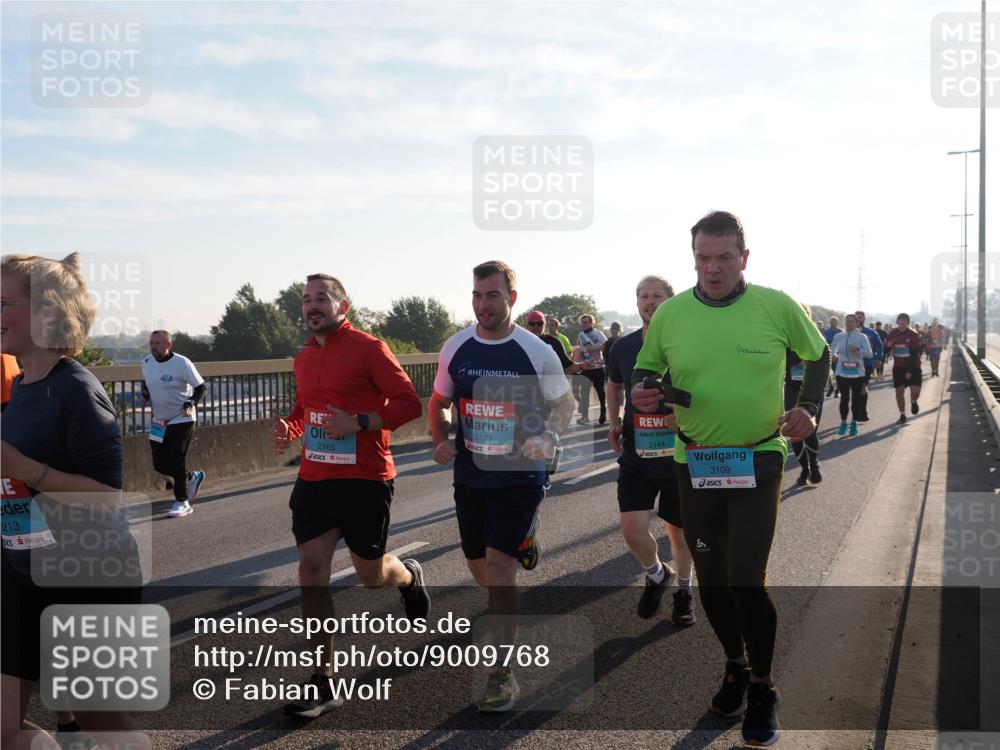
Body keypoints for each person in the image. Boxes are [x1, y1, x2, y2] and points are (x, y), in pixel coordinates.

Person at [631, 211, 829, 747]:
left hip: (758, 456)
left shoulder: (776, 305)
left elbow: (819, 356)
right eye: (702, 258)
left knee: (746, 578)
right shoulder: (671, 314)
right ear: (692, 258)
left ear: (745, 257)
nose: (712, 268)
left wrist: (809, 405)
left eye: (723, 257)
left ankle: (764, 687)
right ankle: (736, 666)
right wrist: (644, 390)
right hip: (693, 460)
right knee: (713, 579)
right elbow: (645, 370)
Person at [2, 253, 145, 750]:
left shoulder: (76, 390)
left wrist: (23, 469)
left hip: (88, 572)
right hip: (23, 572)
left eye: (2, 303)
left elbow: (107, 496)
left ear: (47, 314)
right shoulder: (19, 388)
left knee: (95, 714)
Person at [269, 273, 428, 719]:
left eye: (323, 298)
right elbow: (307, 408)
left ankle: (409, 576)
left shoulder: (369, 348)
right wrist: (291, 428)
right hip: (316, 479)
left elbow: (409, 402)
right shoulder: (303, 356)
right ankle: (323, 679)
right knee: (310, 570)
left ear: (345, 306)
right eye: (307, 300)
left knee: (370, 576)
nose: (313, 306)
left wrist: (359, 422)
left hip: (365, 479)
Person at [429, 261, 574, 712]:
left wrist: (548, 437)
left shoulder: (536, 351)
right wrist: (439, 437)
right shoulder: (456, 347)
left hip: (519, 475)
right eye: (476, 295)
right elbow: (439, 402)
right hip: (472, 473)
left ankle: (501, 672)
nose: (483, 304)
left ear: (512, 297)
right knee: (478, 568)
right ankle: (522, 541)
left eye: (492, 295)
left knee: (498, 567)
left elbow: (564, 406)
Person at [606, 275, 695, 624]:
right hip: (637, 456)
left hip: (679, 455)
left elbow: (706, 393)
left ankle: (684, 592)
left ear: (670, 301)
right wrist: (614, 421)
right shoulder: (623, 347)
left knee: (680, 533)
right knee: (633, 530)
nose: (650, 301)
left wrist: (682, 414)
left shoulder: (688, 344)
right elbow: (613, 385)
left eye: (657, 295)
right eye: (643, 296)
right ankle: (658, 574)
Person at [140, 330, 206, 518]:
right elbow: (147, 384)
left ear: (169, 345)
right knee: (159, 464)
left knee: (176, 459)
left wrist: (190, 403)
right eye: (151, 343)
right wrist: (145, 394)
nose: (153, 346)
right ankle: (192, 477)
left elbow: (201, 387)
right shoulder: (146, 363)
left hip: (181, 418)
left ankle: (182, 501)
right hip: (159, 421)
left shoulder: (181, 363)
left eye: (158, 343)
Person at [787, 304, 826, 482]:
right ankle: (804, 469)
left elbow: (822, 362)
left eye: (804, 313)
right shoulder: (785, 337)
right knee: (794, 431)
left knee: (809, 431)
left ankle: (814, 466)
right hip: (792, 388)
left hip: (811, 391)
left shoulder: (815, 338)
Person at [830, 314, 873, 437]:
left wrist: (858, 350)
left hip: (857, 373)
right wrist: (833, 355)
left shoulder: (861, 337)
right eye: (847, 321)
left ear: (856, 323)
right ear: (844, 323)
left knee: (855, 398)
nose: (849, 323)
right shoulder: (838, 336)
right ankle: (843, 423)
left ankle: (853, 423)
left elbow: (869, 354)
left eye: (852, 321)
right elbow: (833, 348)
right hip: (841, 371)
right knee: (844, 397)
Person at [884, 313, 923, 424]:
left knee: (915, 391)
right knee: (899, 391)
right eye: (900, 320)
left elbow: (915, 353)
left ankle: (914, 401)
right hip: (898, 367)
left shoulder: (913, 334)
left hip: (913, 366)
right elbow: (886, 351)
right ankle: (902, 415)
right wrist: (888, 346)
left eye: (904, 320)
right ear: (897, 322)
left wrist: (909, 371)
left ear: (908, 322)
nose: (902, 322)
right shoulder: (892, 333)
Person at [576, 314, 608, 425]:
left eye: (586, 322)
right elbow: (583, 348)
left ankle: (603, 413)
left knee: (600, 393)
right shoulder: (581, 335)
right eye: (582, 323)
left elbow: (606, 345)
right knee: (584, 393)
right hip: (586, 368)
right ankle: (585, 417)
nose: (584, 325)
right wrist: (579, 359)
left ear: (591, 323)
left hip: (598, 367)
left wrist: (593, 347)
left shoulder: (598, 333)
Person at [852, 311, 883, 422]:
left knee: (862, 386)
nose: (859, 319)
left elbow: (879, 346)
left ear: (864, 319)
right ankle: (856, 412)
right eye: (857, 317)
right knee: (855, 389)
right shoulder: (848, 333)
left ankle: (862, 411)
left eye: (861, 317)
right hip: (852, 365)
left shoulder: (871, 333)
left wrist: (878, 357)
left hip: (866, 364)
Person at [822, 317, 842, 397]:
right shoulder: (826, 332)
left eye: (834, 322)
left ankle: (838, 389)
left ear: (837, 323)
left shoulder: (840, 332)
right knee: (827, 373)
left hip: (837, 356)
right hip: (827, 354)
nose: (832, 323)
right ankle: (831, 387)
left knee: (837, 373)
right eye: (831, 322)